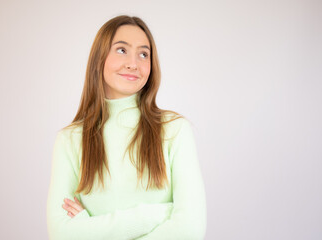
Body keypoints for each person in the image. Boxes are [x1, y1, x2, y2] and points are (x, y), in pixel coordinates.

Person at [46, 15, 206, 240]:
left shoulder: (174, 130)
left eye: (143, 54)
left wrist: (90, 229)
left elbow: (190, 229)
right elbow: (61, 233)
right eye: (122, 50)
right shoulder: (70, 139)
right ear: (99, 57)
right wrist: (154, 215)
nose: (134, 63)